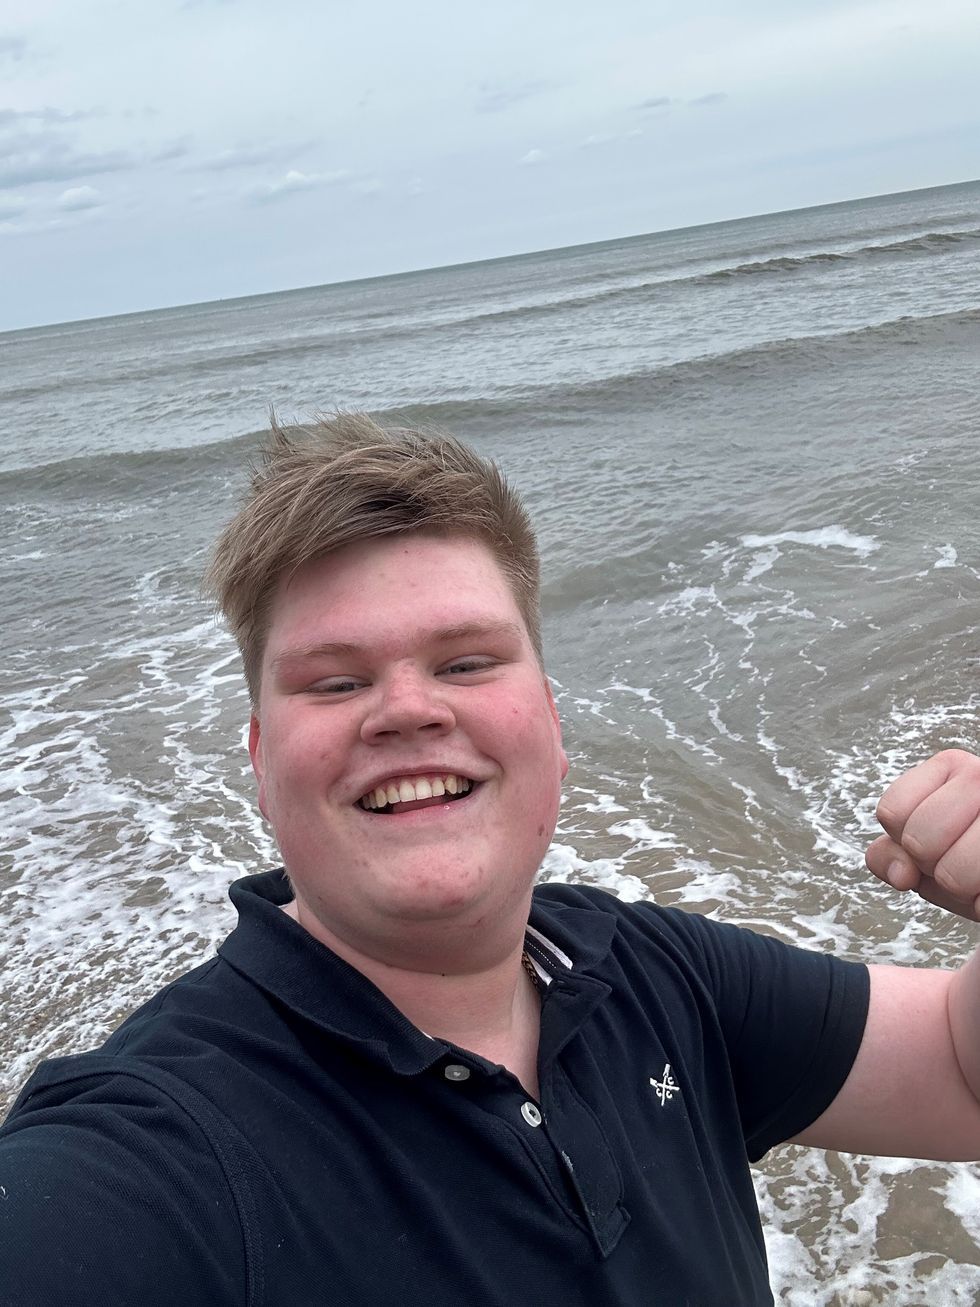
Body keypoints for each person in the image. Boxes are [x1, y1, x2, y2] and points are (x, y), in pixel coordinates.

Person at [1, 413, 979, 1306]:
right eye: (335, 680)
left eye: (465, 661)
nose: (408, 707)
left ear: (550, 722)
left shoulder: (650, 974)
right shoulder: (160, 1148)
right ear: (261, 763)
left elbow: (954, 1066)